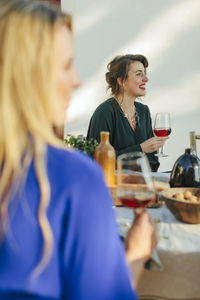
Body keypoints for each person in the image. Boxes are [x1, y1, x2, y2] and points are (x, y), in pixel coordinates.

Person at [0, 1, 157, 299]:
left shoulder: (145, 111)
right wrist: (136, 254)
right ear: (29, 75)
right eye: (65, 65)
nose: (76, 81)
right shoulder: (72, 178)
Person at [87, 54, 169, 172]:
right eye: (139, 74)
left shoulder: (143, 111)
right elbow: (98, 161)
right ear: (121, 80)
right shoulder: (104, 112)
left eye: (144, 74)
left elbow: (152, 161)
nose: (146, 79)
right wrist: (140, 149)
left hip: (142, 185)